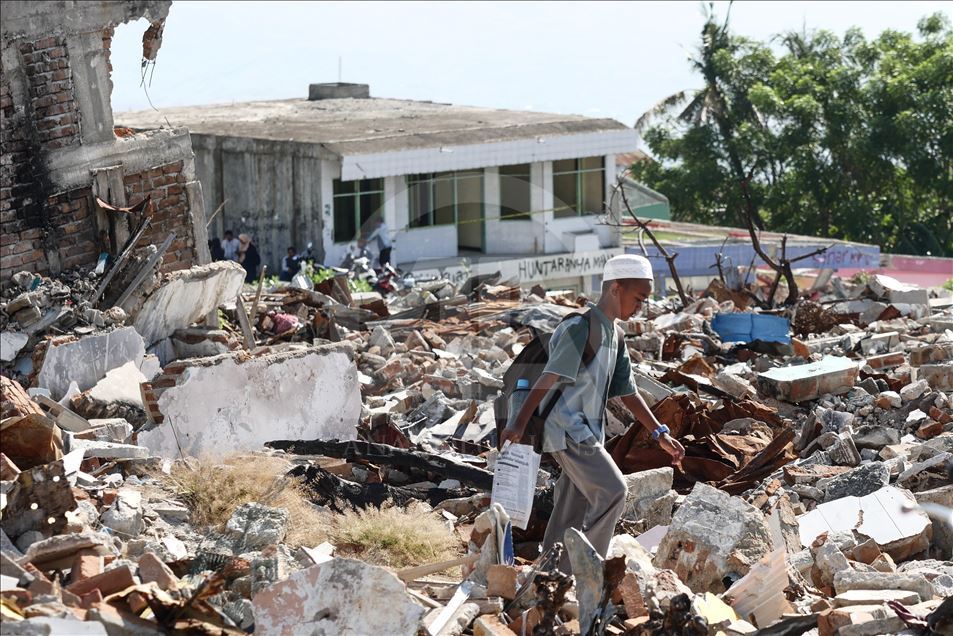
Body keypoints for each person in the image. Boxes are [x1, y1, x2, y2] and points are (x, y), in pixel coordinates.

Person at [499, 254, 685, 571]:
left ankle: (551, 575)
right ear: (615, 288)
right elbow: (550, 377)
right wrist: (518, 423)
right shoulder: (579, 328)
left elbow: (628, 392)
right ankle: (589, 569)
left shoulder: (617, 336)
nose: (640, 307)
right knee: (614, 491)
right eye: (638, 298)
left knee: (572, 508)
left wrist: (660, 433)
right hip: (567, 430)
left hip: (588, 434)